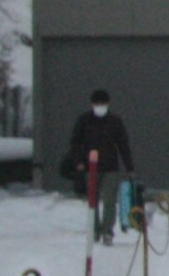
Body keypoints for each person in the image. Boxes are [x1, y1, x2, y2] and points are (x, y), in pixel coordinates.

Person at [60, 90, 139, 241]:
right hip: (90, 168)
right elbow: (75, 143)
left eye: (102, 104)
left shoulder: (115, 121)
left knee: (110, 200)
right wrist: (78, 163)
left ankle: (107, 230)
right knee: (92, 201)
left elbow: (123, 145)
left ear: (108, 104)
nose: (100, 107)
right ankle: (94, 229)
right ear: (92, 104)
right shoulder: (84, 120)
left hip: (111, 168)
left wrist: (130, 167)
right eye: (97, 104)